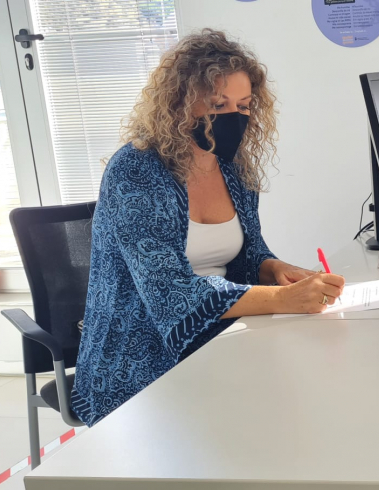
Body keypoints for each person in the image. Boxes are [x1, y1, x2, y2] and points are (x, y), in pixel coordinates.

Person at [73, 29, 345, 426]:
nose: (233, 115)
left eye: (244, 104)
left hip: (218, 340)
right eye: (219, 103)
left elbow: (248, 250)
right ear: (182, 101)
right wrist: (280, 300)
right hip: (138, 361)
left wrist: (274, 270)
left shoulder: (231, 165)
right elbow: (170, 294)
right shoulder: (136, 171)